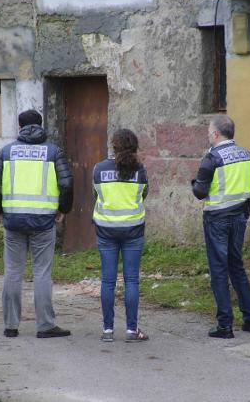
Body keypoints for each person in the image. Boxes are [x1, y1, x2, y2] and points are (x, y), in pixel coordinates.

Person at [0, 109, 73, 338]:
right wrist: (63, 209)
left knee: (13, 271)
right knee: (42, 272)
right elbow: (66, 182)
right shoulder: (53, 152)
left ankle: (11, 326)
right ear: (40, 126)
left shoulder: (6, 152)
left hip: (13, 220)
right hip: (44, 221)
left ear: (20, 127)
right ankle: (45, 326)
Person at [191, 115, 250, 338]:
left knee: (219, 271)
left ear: (216, 134)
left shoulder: (211, 158)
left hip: (217, 219)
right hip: (239, 216)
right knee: (236, 266)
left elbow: (200, 193)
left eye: (209, 131)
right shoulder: (246, 155)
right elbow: (249, 189)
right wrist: (244, 214)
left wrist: (194, 183)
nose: (207, 134)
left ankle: (225, 325)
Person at [92, 129, 149, 343]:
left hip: (106, 229)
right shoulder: (140, 170)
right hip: (133, 229)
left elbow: (95, 194)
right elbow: (144, 194)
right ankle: (132, 330)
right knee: (131, 279)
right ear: (134, 147)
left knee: (108, 280)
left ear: (113, 146)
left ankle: (107, 330)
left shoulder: (99, 169)